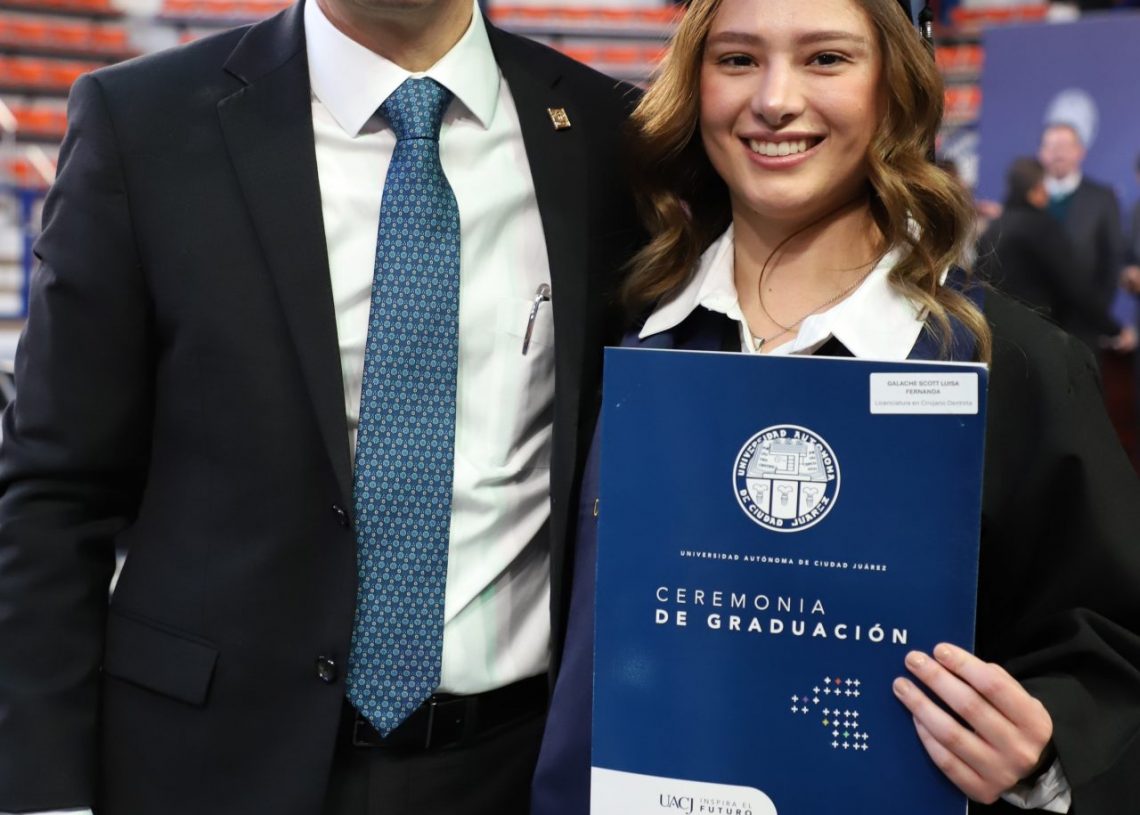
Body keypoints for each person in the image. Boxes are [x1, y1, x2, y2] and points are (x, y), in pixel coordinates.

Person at [0, 0, 641, 812]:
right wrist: (40, 792)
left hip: (508, 768)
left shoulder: (605, 134)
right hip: (203, 767)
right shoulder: (143, 121)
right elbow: (55, 490)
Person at [531, 0, 1140, 813]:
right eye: (738, 59)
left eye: (826, 58)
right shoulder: (620, 333)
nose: (774, 100)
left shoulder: (1005, 362)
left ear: (894, 85)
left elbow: (1112, 643)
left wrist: (1043, 748)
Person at [977, 156, 1134, 352]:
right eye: (1046, 185)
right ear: (1035, 191)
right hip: (1040, 341)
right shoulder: (1042, 228)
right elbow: (1074, 286)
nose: (1049, 193)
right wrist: (1113, 328)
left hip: (998, 340)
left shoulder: (993, 229)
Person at [1037, 122, 1127, 355]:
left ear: (1080, 152)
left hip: (1084, 326)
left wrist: (1096, 310)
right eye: (1051, 146)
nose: (1058, 153)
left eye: (1065, 146)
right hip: (1035, 322)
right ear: (1041, 153)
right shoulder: (1027, 199)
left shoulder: (1102, 198)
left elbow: (1112, 259)